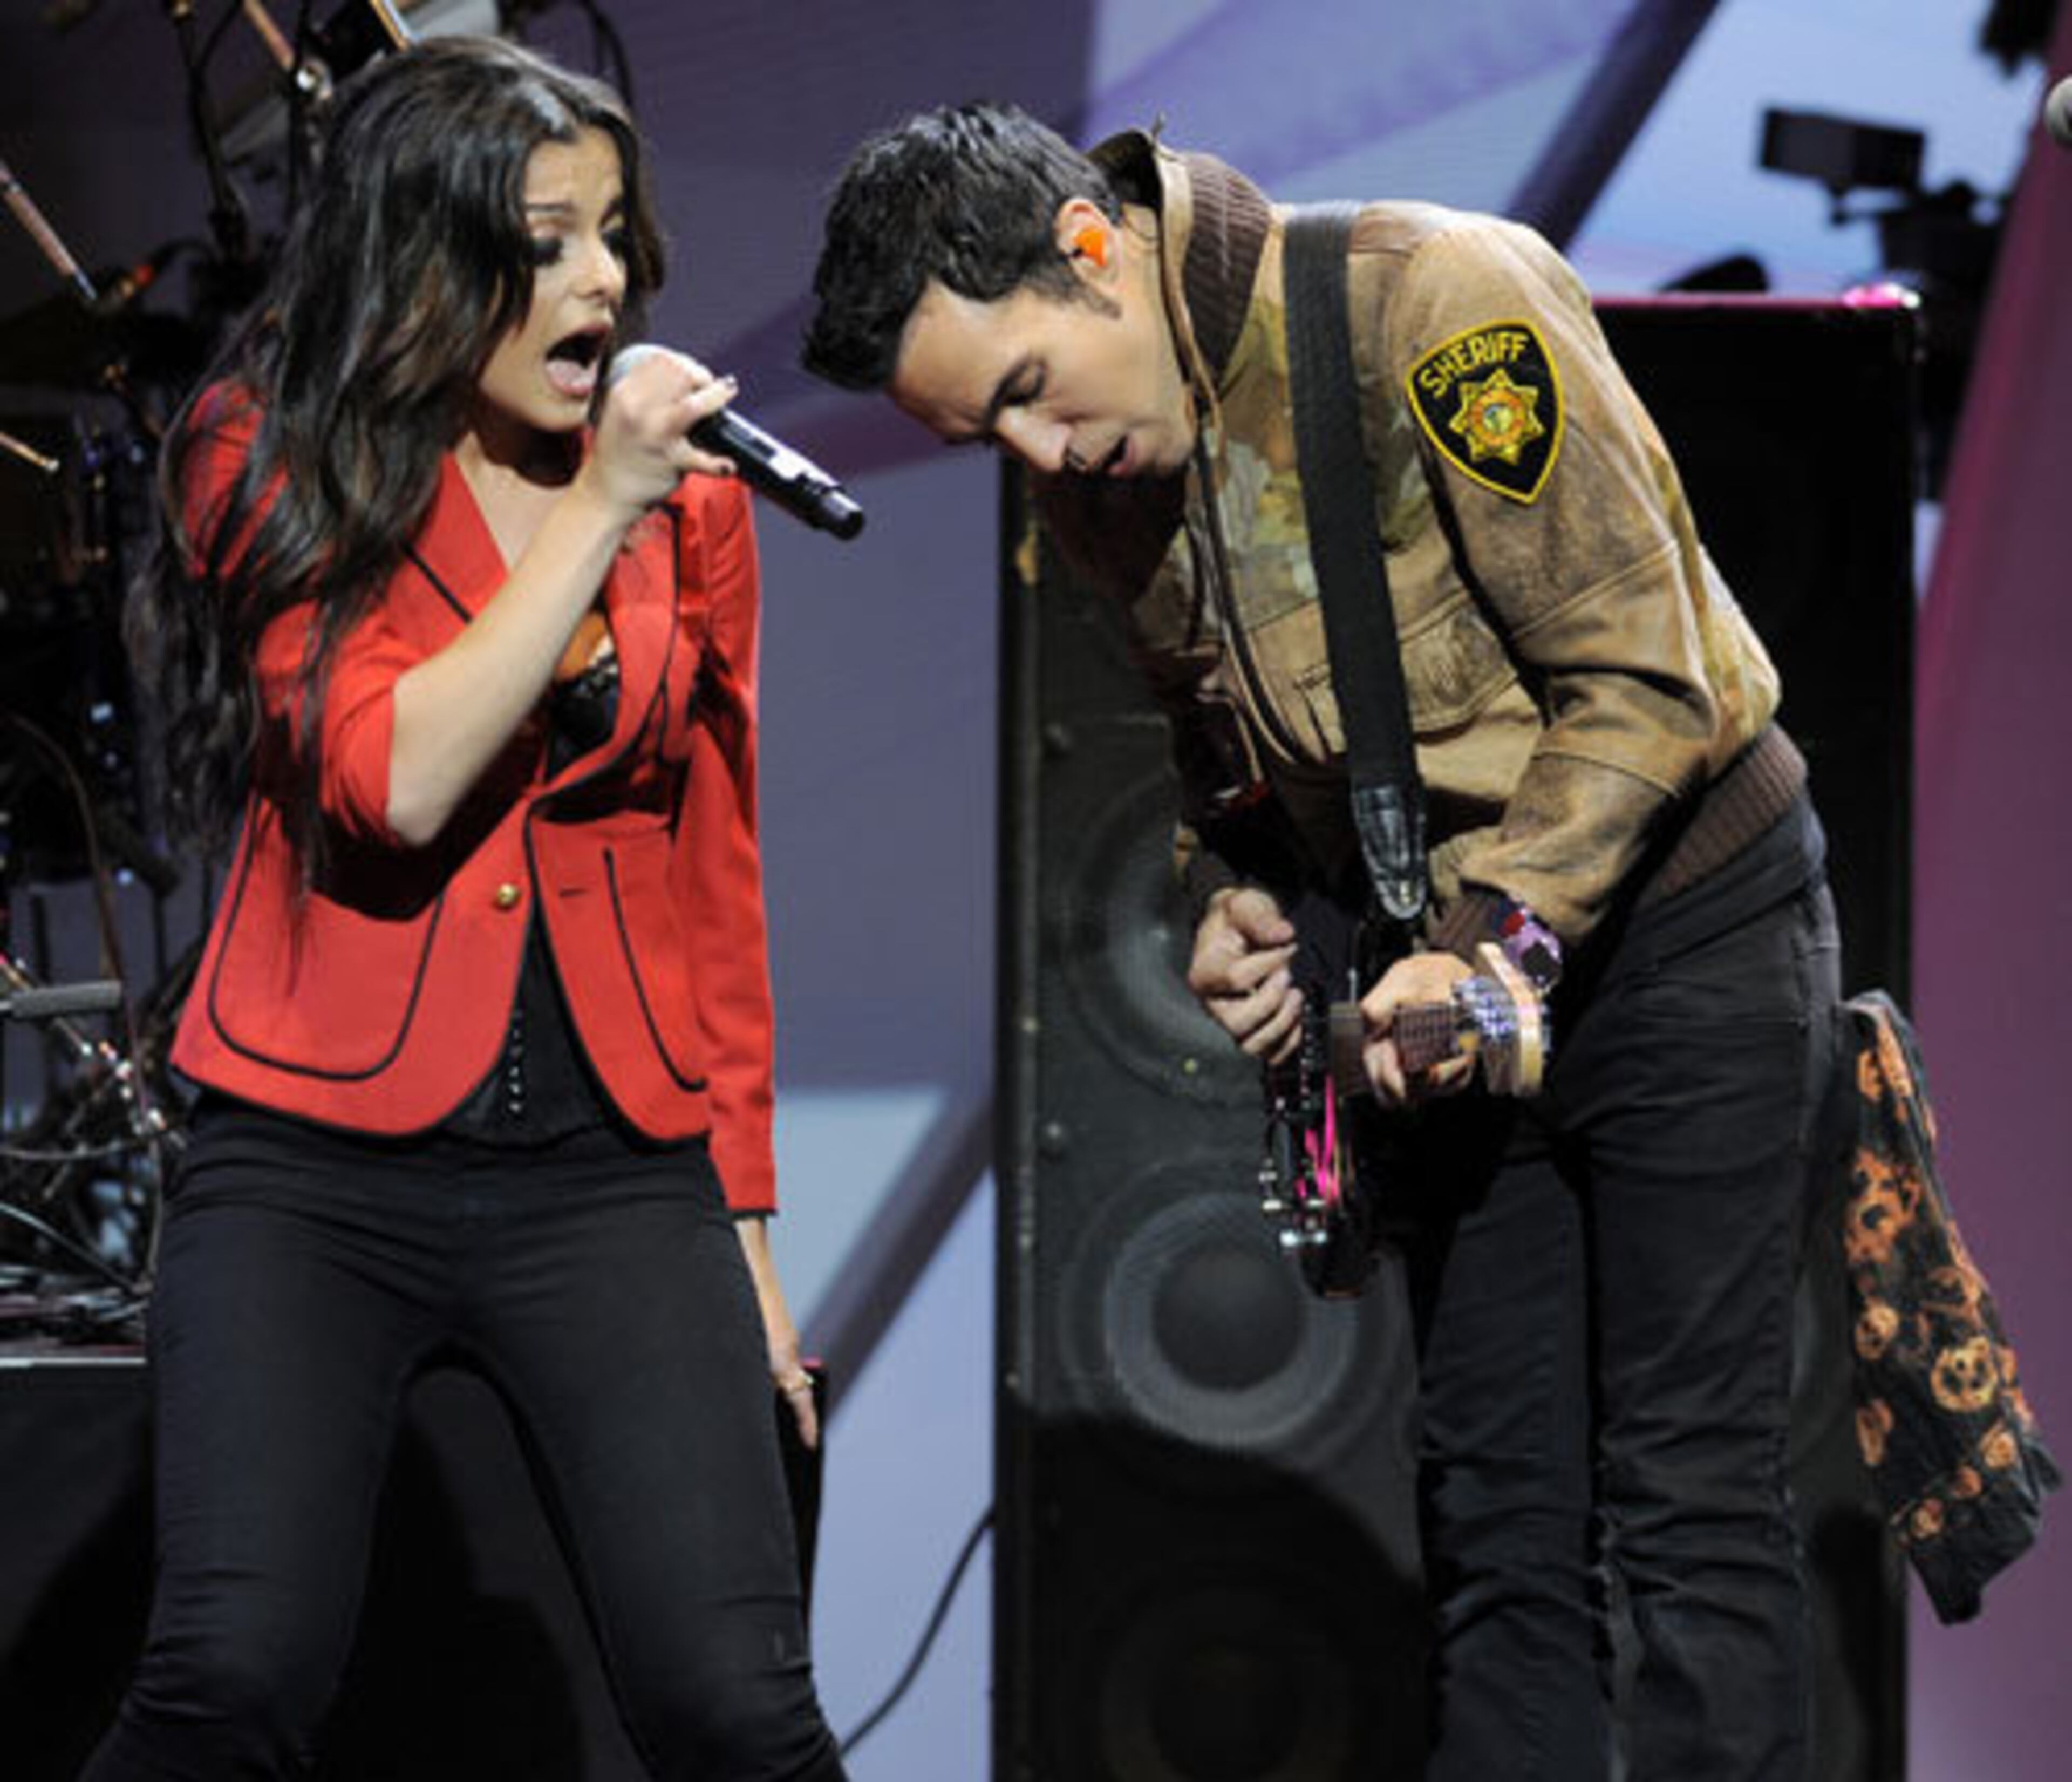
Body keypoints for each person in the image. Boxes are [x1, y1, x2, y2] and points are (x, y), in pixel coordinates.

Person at [802, 104, 1840, 1782]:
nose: (1041, 454)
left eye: (1026, 390)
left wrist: (1493, 944)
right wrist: (1246, 896)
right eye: (987, 434)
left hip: (1680, 936)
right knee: (1496, 1510)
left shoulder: (1435, 301)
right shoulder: (1099, 467)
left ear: (1091, 248)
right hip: (1446, 990)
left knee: (1690, 1499)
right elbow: (1223, 746)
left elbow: (1647, 683)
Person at [88, 36, 847, 1782]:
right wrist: (600, 513)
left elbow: (711, 870)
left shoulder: (693, 499)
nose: (604, 285)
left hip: (612, 1170)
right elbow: (391, 780)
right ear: (425, 258)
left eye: (615, 237)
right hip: (312, 1163)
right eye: (549, 241)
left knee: (737, 1708)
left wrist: (746, 1233)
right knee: (233, 1677)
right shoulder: (267, 451)